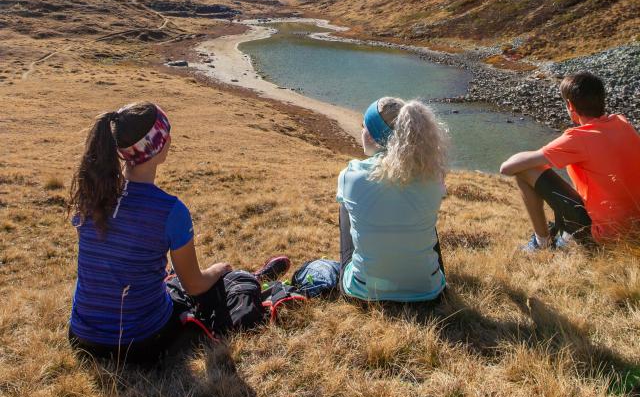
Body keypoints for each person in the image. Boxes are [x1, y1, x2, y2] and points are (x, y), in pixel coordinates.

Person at [67, 102, 290, 364]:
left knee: (169, 283)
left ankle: (246, 280)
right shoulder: (169, 210)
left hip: (82, 340)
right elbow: (194, 284)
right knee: (210, 286)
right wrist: (220, 269)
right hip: (141, 343)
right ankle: (247, 281)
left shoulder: (91, 196)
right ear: (160, 145)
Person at [500, 72, 640, 251]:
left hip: (608, 237)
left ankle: (541, 243)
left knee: (525, 171)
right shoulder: (622, 122)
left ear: (570, 105)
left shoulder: (578, 138)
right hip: (635, 228)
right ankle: (564, 234)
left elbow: (507, 168)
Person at [337, 97, 447, 302]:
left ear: (372, 135)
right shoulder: (432, 176)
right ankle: (419, 274)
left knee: (345, 207)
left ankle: (365, 272)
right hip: (430, 293)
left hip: (364, 293)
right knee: (423, 213)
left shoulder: (351, 175)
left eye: (364, 126)